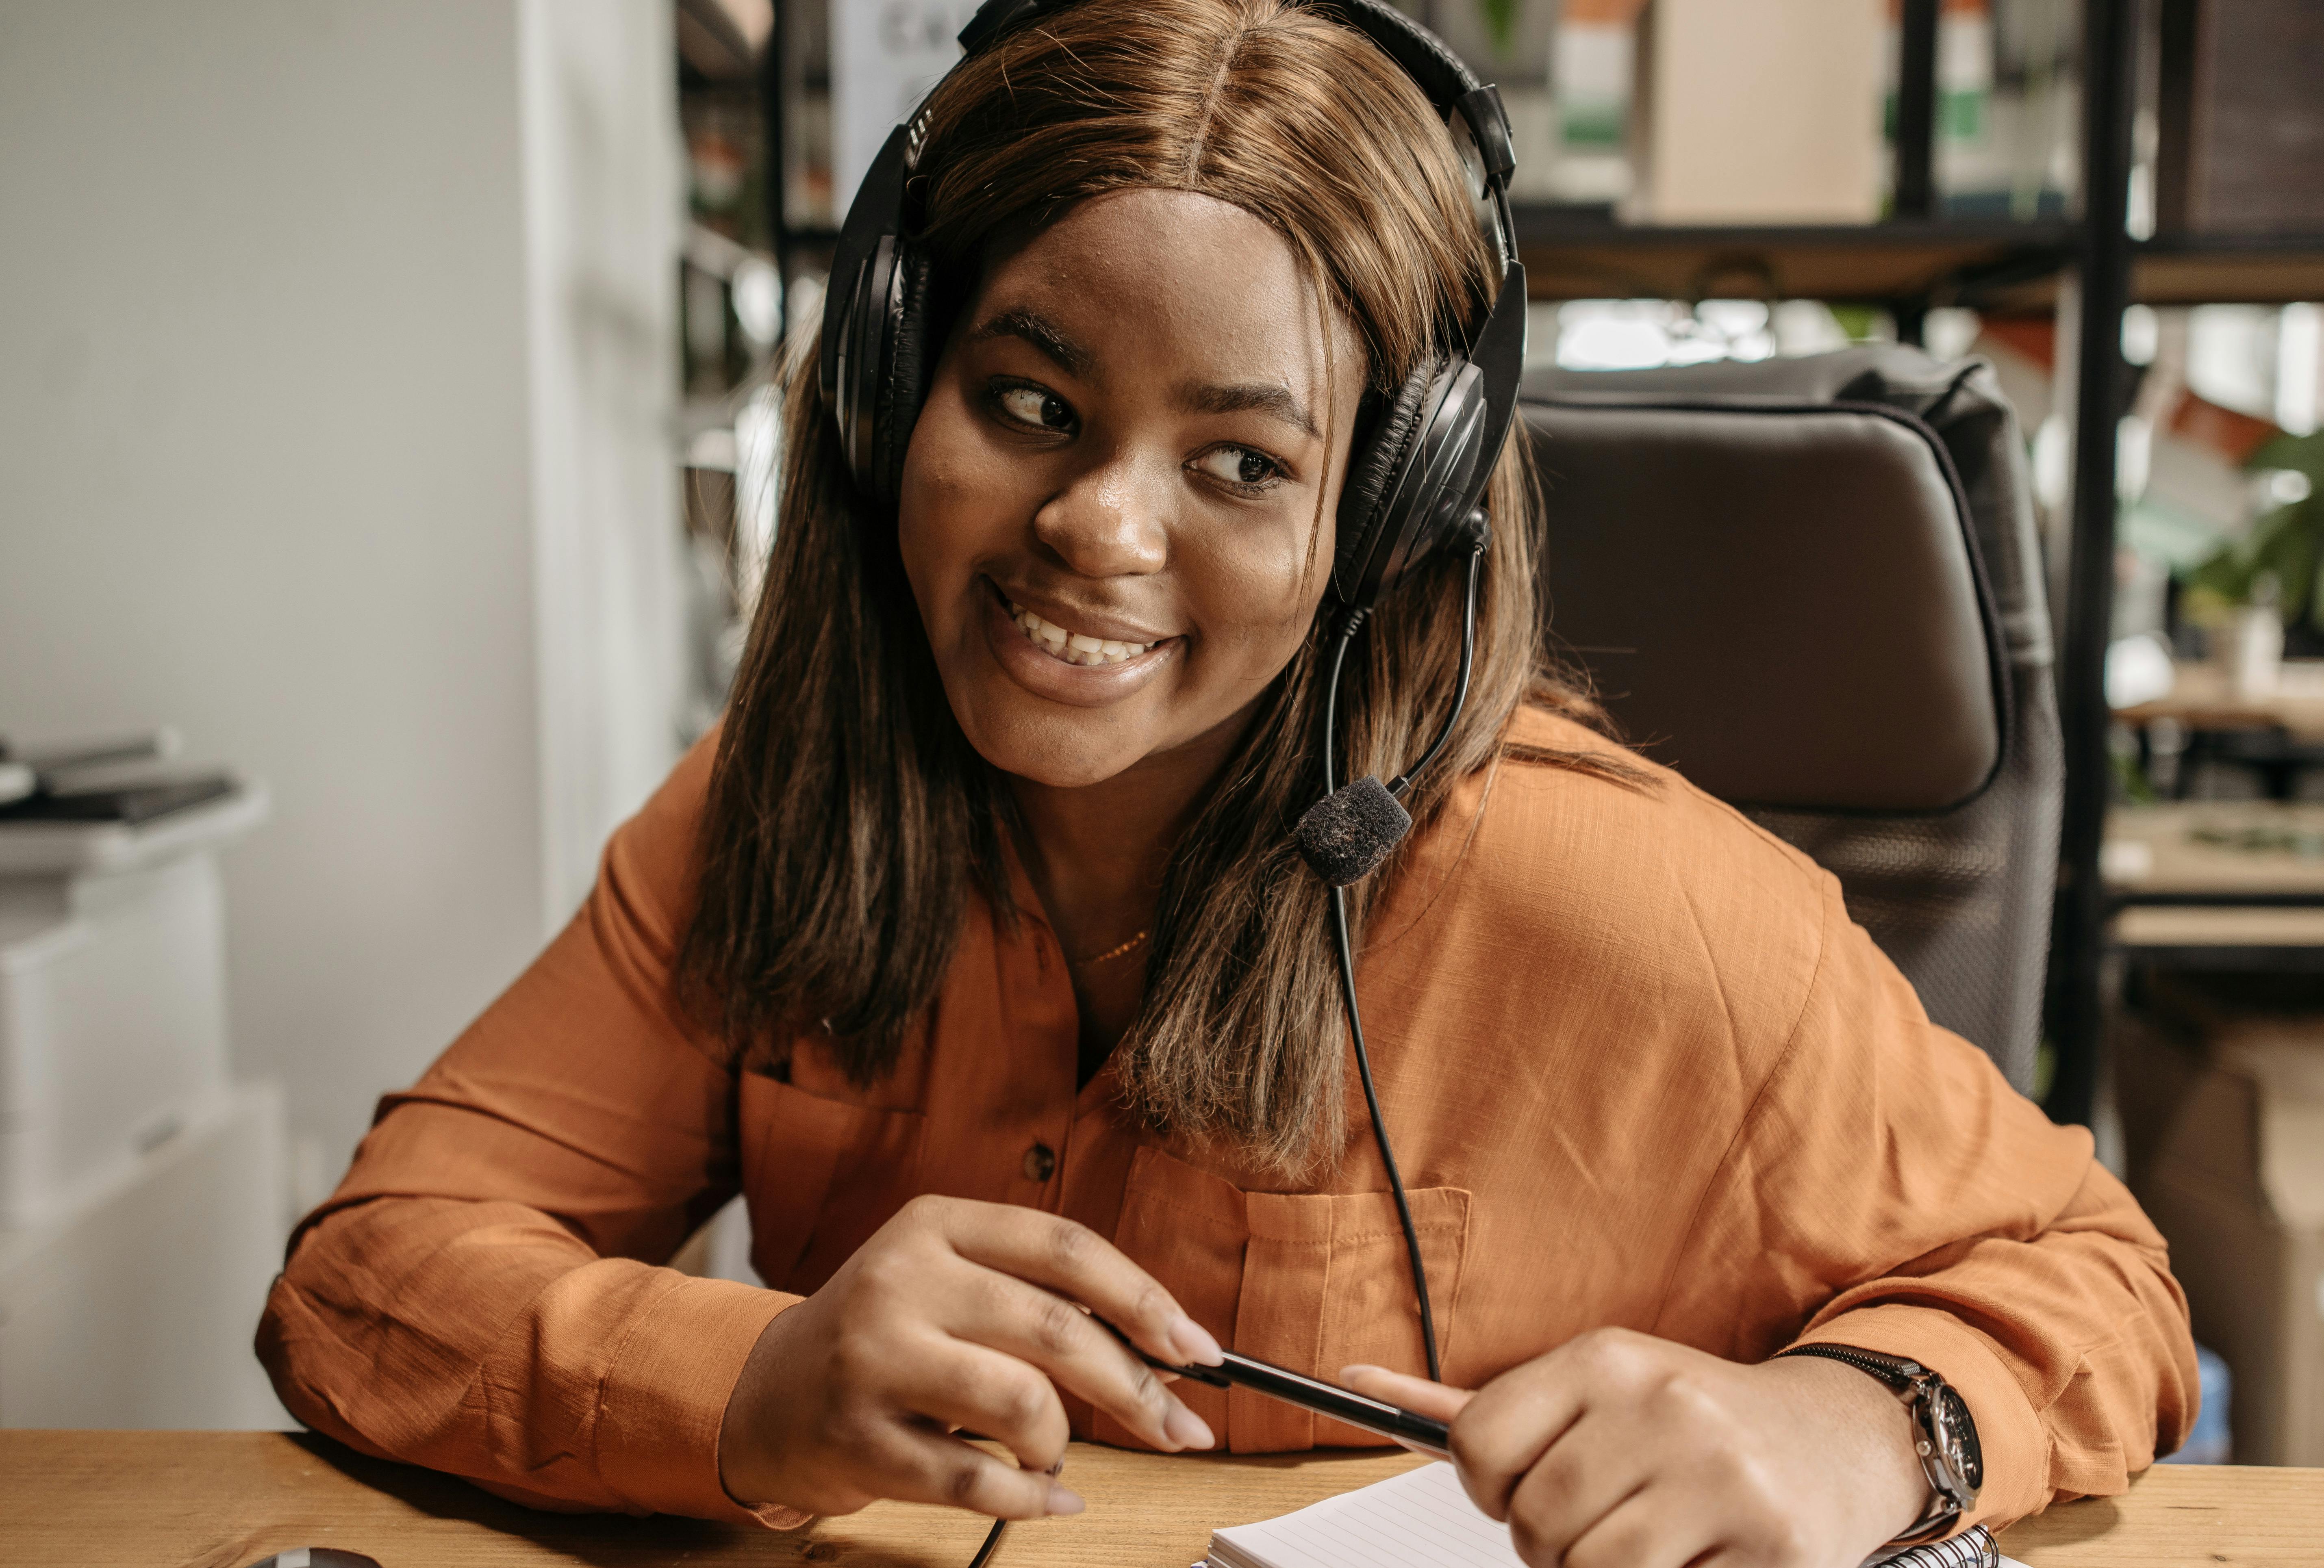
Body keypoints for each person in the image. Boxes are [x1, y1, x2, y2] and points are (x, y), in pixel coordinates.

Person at [257, 2, 2195, 1564]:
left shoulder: (1638, 905)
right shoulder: (774, 811)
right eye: (1031, 402)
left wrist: (1853, 1427)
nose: (1097, 526)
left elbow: (2097, 1277)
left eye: (1242, 464)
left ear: (1384, 518)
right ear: (890, 389)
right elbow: (368, 1276)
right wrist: (749, 1382)